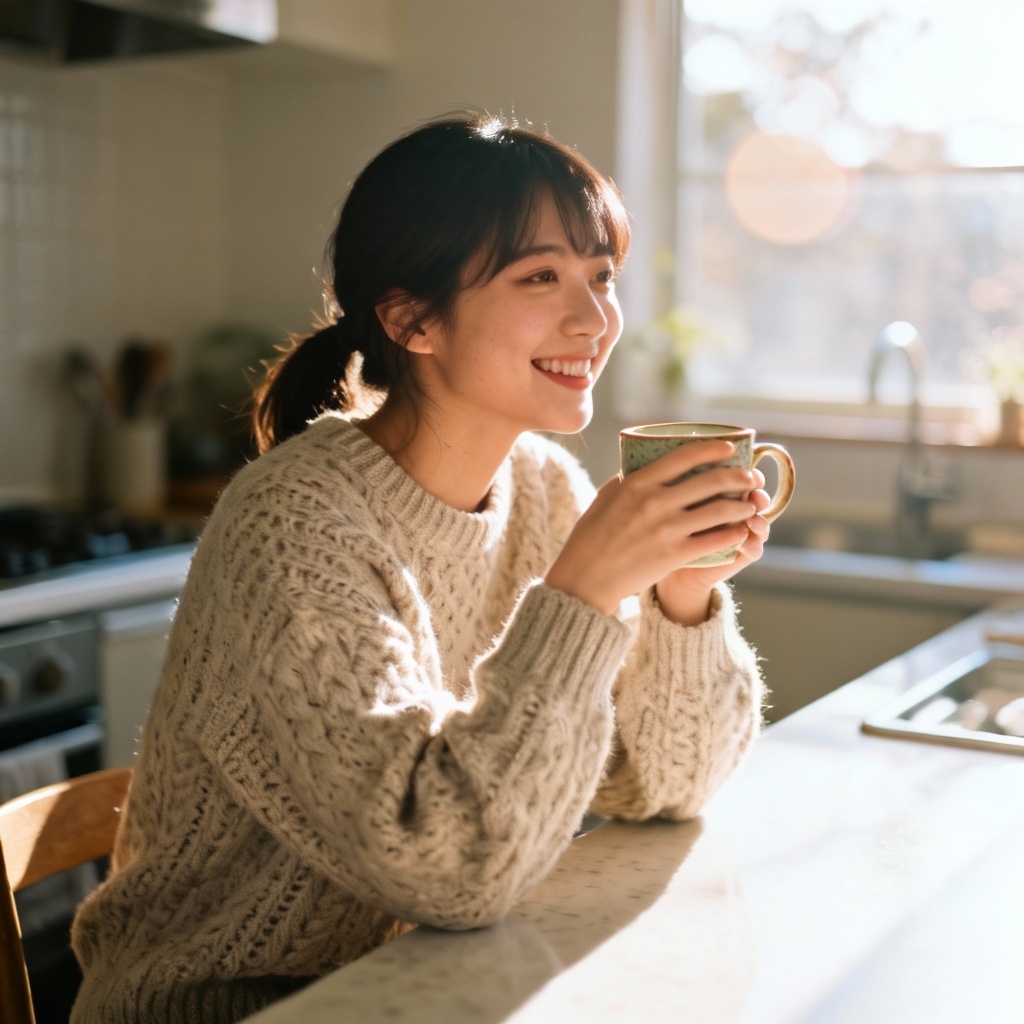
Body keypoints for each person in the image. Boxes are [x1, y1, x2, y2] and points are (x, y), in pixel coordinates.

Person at [70, 112, 770, 1023]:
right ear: (412, 319)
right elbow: (450, 867)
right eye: (540, 277)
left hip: (424, 991)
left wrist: (682, 596)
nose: (595, 319)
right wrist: (584, 595)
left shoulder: (542, 487)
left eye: (601, 277)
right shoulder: (292, 525)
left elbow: (662, 786)